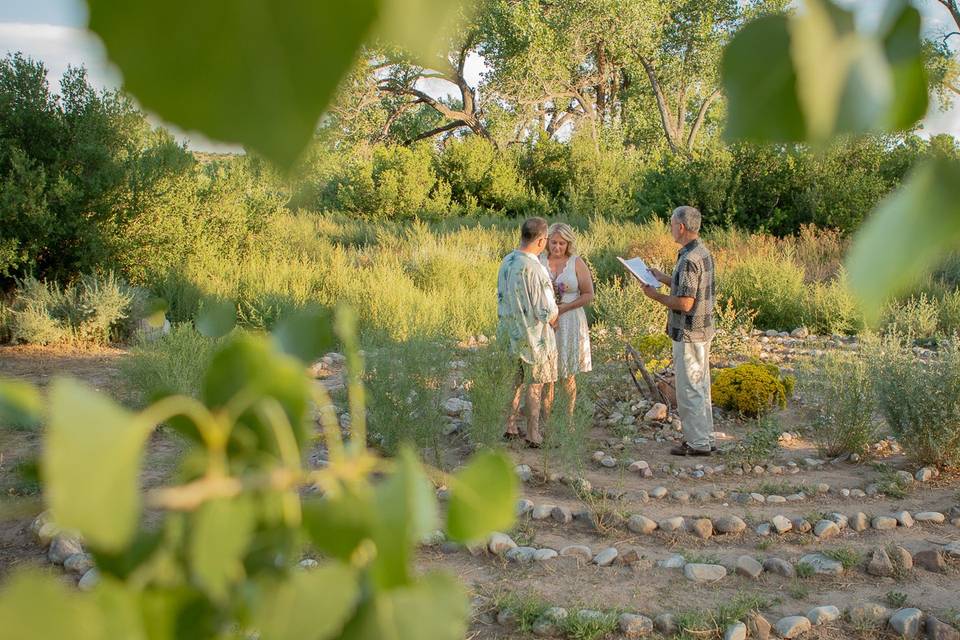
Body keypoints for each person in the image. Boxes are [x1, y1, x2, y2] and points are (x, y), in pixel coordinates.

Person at [638, 206, 716, 456]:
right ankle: (705, 437)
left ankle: (697, 444)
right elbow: (688, 288)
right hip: (702, 330)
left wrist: (656, 296)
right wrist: (663, 278)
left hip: (689, 332)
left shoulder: (689, 260)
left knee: (690, 388)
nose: (671, 228)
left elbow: (685, 302)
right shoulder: (701, 253)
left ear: (681, 227)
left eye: (672, 224)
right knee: (701, 387)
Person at [497, 217, 558, 447]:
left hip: (509, 333)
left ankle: (510, 426)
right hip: (534, 337)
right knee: (535, 383)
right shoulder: (535, 268)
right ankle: (533, 434)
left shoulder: (507, 261)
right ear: (542, 240)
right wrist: (555, 316)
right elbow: (546, 311)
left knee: (513, 383)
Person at [539, 223, 594, 417]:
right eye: (553, 242)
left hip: (570, 319)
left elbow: (588, 294)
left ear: (568, 243)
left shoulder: (576, 262)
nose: (557, 247)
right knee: (547, 374)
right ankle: (547, 420)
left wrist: (564, 308)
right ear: (547, 242)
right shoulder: (539, 260)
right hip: (545, 322)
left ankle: (568, 419)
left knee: (567, 373)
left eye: (562, 243)